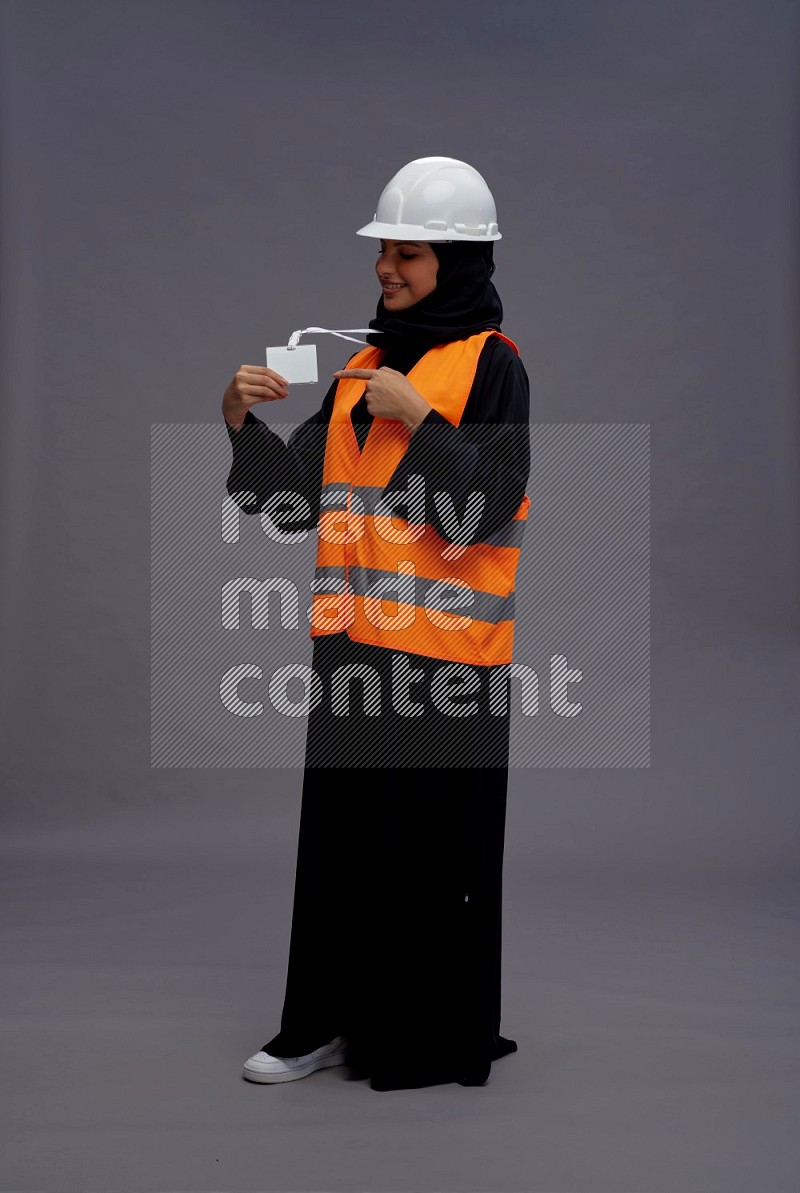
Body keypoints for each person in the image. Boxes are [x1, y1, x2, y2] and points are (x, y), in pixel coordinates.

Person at [222, 157, 531, 1091]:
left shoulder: (494, 367)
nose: (386, 270)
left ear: (460, 261)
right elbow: (290, 506)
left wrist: (423, 418)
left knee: (431, 867)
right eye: (384, 253)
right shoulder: (360, 367)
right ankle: (316, 1026)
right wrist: (237, 420)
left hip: (448, 665)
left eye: (406, 254)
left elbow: (485, 508)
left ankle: (419, 1038)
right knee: (342, 854)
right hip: (355, 656)